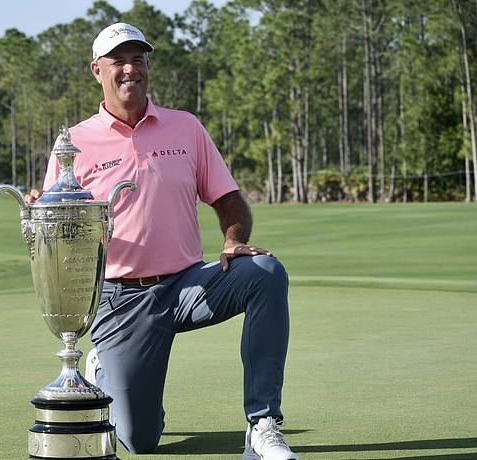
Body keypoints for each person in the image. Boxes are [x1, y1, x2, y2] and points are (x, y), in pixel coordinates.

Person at [25, 22, 299, 460]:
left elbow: (227, 198)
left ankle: (263, 425)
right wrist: (46, 207)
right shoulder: (75, 142)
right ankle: (102, 366)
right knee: (139, 439)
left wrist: (233, 240)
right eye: (119, 61)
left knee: (265, 273)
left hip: (188, 284)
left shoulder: (185, 127)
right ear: (98, 70)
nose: (130, 69)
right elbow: (64, 232)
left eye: (138, 60)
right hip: (121, 300)